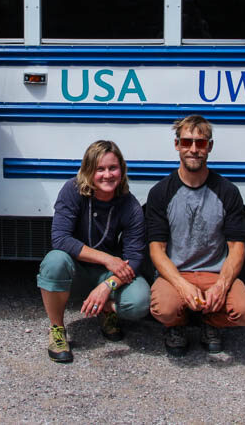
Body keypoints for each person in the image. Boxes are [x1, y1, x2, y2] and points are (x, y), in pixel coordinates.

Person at [146, 115, 245, 357]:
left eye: (201, 142)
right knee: (164, 309)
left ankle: (211, 323)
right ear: (177, 145)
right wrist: (182, 285)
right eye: (187, 142)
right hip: (176, 274)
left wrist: (221, 286)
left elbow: (237, 247)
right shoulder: (160, 192)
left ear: (210, 146)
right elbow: (156, 249)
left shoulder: (227, 191)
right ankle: (176, 325)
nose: (194, 149)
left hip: (214, 273)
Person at [36, 140, 150, 363]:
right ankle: (57, 329)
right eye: (100, 169)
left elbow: (135, 257)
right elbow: (60, 239)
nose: (107, 175)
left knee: (140, 301)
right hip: (76, 269)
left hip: (106, 276)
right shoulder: (72, 190)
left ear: (122, 170)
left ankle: (105, 310)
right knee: (54, 261)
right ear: (88, 171)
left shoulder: (130, 205)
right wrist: (108, 259)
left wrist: (108, 286)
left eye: (113, 168)